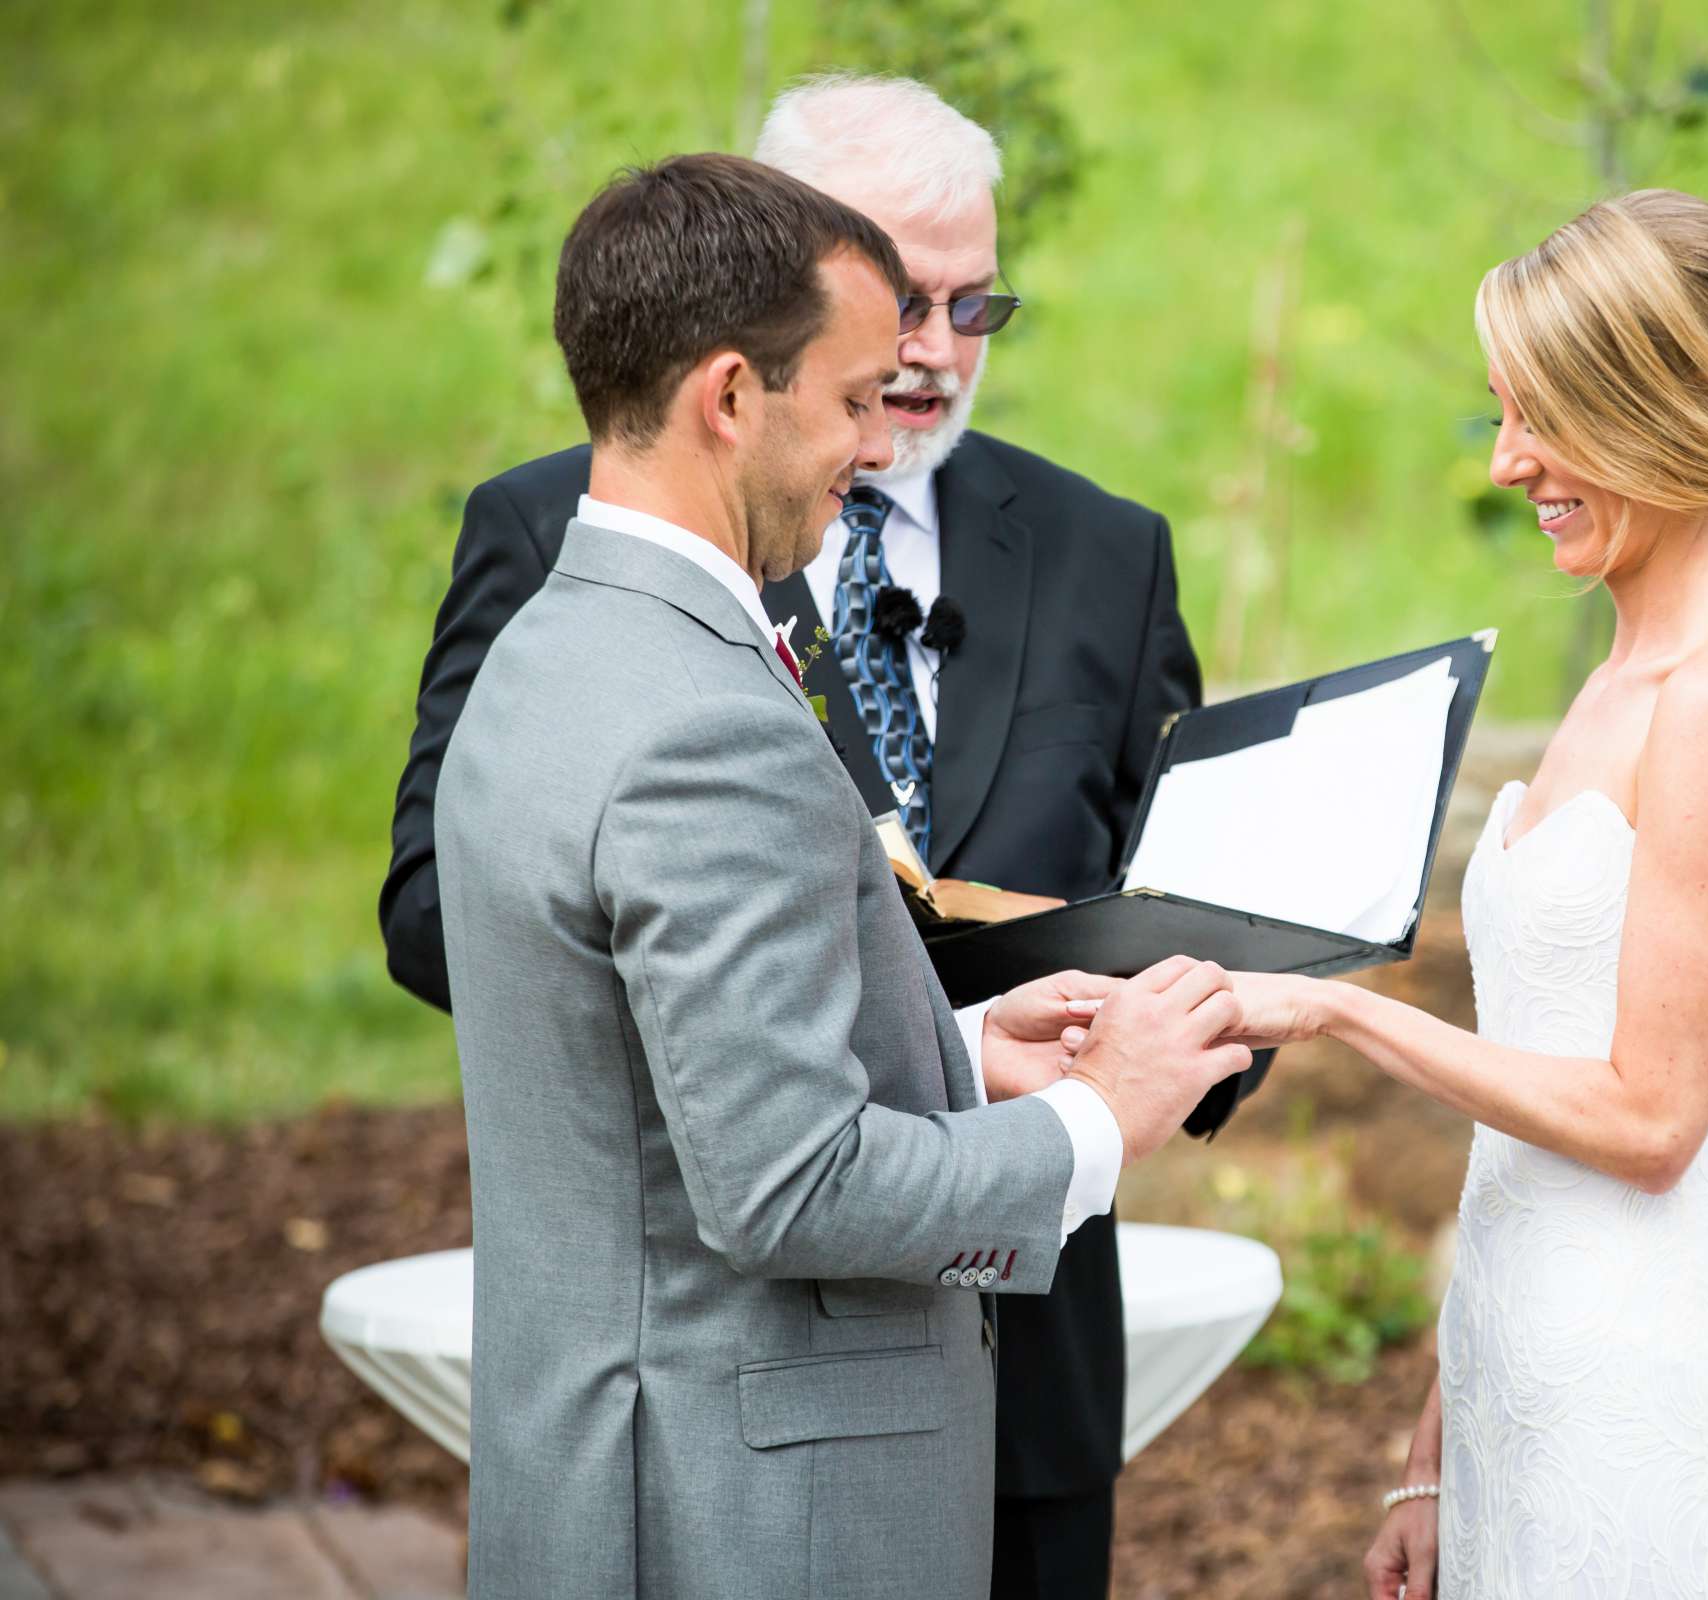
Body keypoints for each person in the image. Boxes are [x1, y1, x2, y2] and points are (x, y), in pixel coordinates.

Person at [378, 76, 1267, 1595]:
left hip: (724, 1438)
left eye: (965, 310)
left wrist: (963, 1049)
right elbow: (784, 1184)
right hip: (757, 1493)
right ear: (735, 394)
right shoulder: (706, 712)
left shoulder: (568, 642)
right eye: (854, 395)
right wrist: (1094, 1121)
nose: (880, 437)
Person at [1225, 191, 1708, 1598]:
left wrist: (1343, 1020)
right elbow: (1530, 1125)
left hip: (1654, 1428)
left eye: (1548, 418)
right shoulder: (1620, 677)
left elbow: (1650, 1120)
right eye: (1503, 413)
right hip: (1530, 1390)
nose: (1513, 461)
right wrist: (1434, 1450)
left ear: (1665, 411)